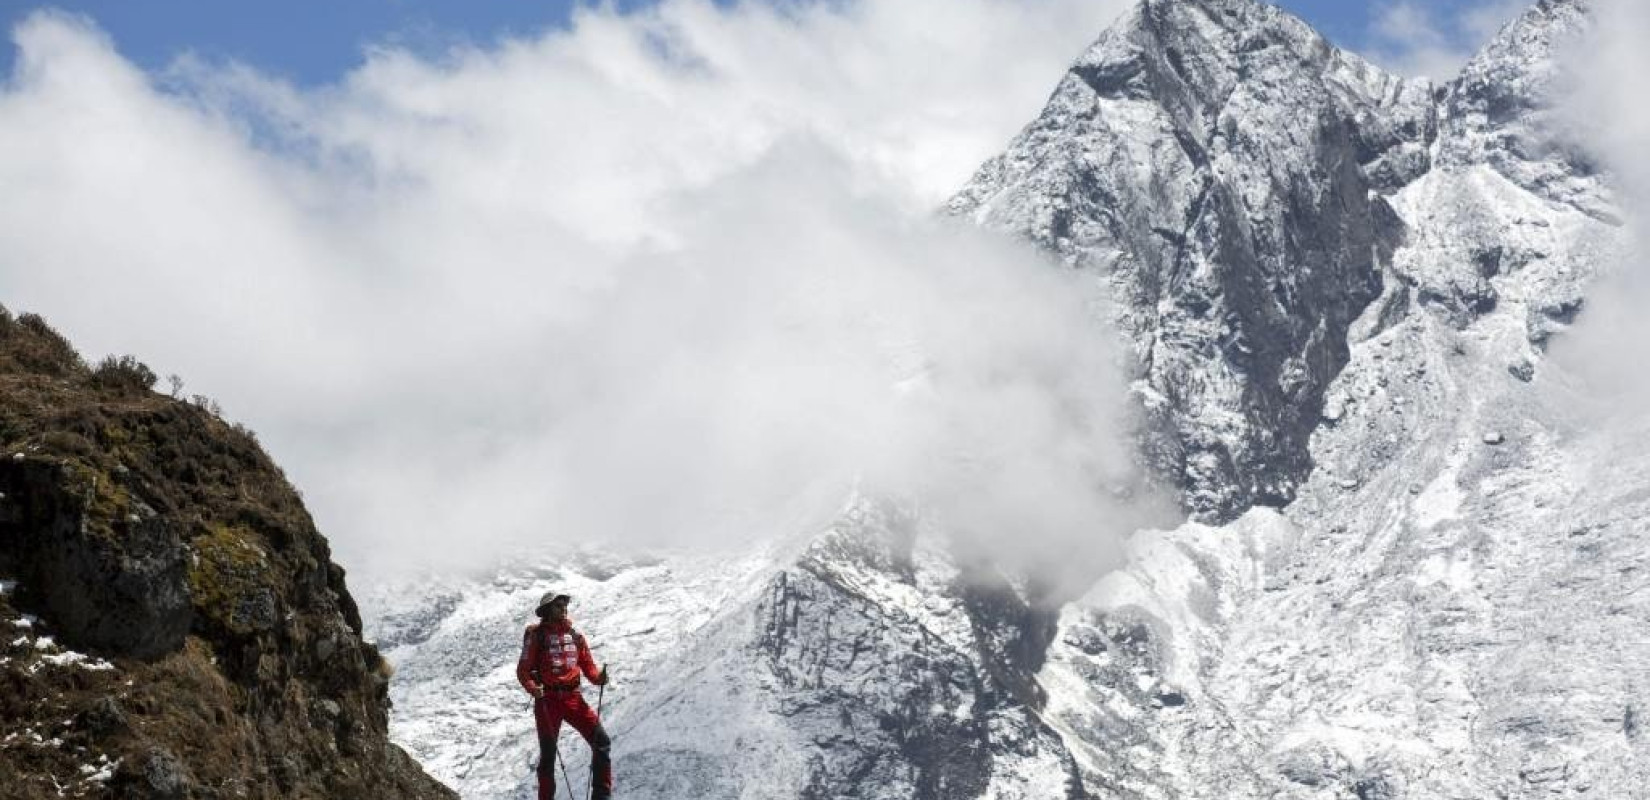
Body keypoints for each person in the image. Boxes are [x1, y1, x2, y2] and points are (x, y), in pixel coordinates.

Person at [517, 591, 611, 800]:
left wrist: (599, 678)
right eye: (558, 605)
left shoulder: (576, 637)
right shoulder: (536, 636)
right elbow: (523, 670)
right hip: (547, 701)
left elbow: (589, 668)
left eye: (564, 605)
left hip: (573, 698)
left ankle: (602, 797)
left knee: (602, 741)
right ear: (547, 610)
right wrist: (533, 688)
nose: (563, 608)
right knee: (548, 757)